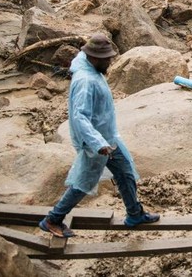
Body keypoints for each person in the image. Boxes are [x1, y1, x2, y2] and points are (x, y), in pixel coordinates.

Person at [39, 34, 159, 238]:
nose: (110, 62)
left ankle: (134, 214)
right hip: (95, 142)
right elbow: (79, 117)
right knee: (83, 183)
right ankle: (53, 219)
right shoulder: (85, 81)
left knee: (125, 172)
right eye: (107, 59)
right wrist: (98, 143)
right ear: (94, 58)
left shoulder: (88, 67)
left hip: (108, 137)